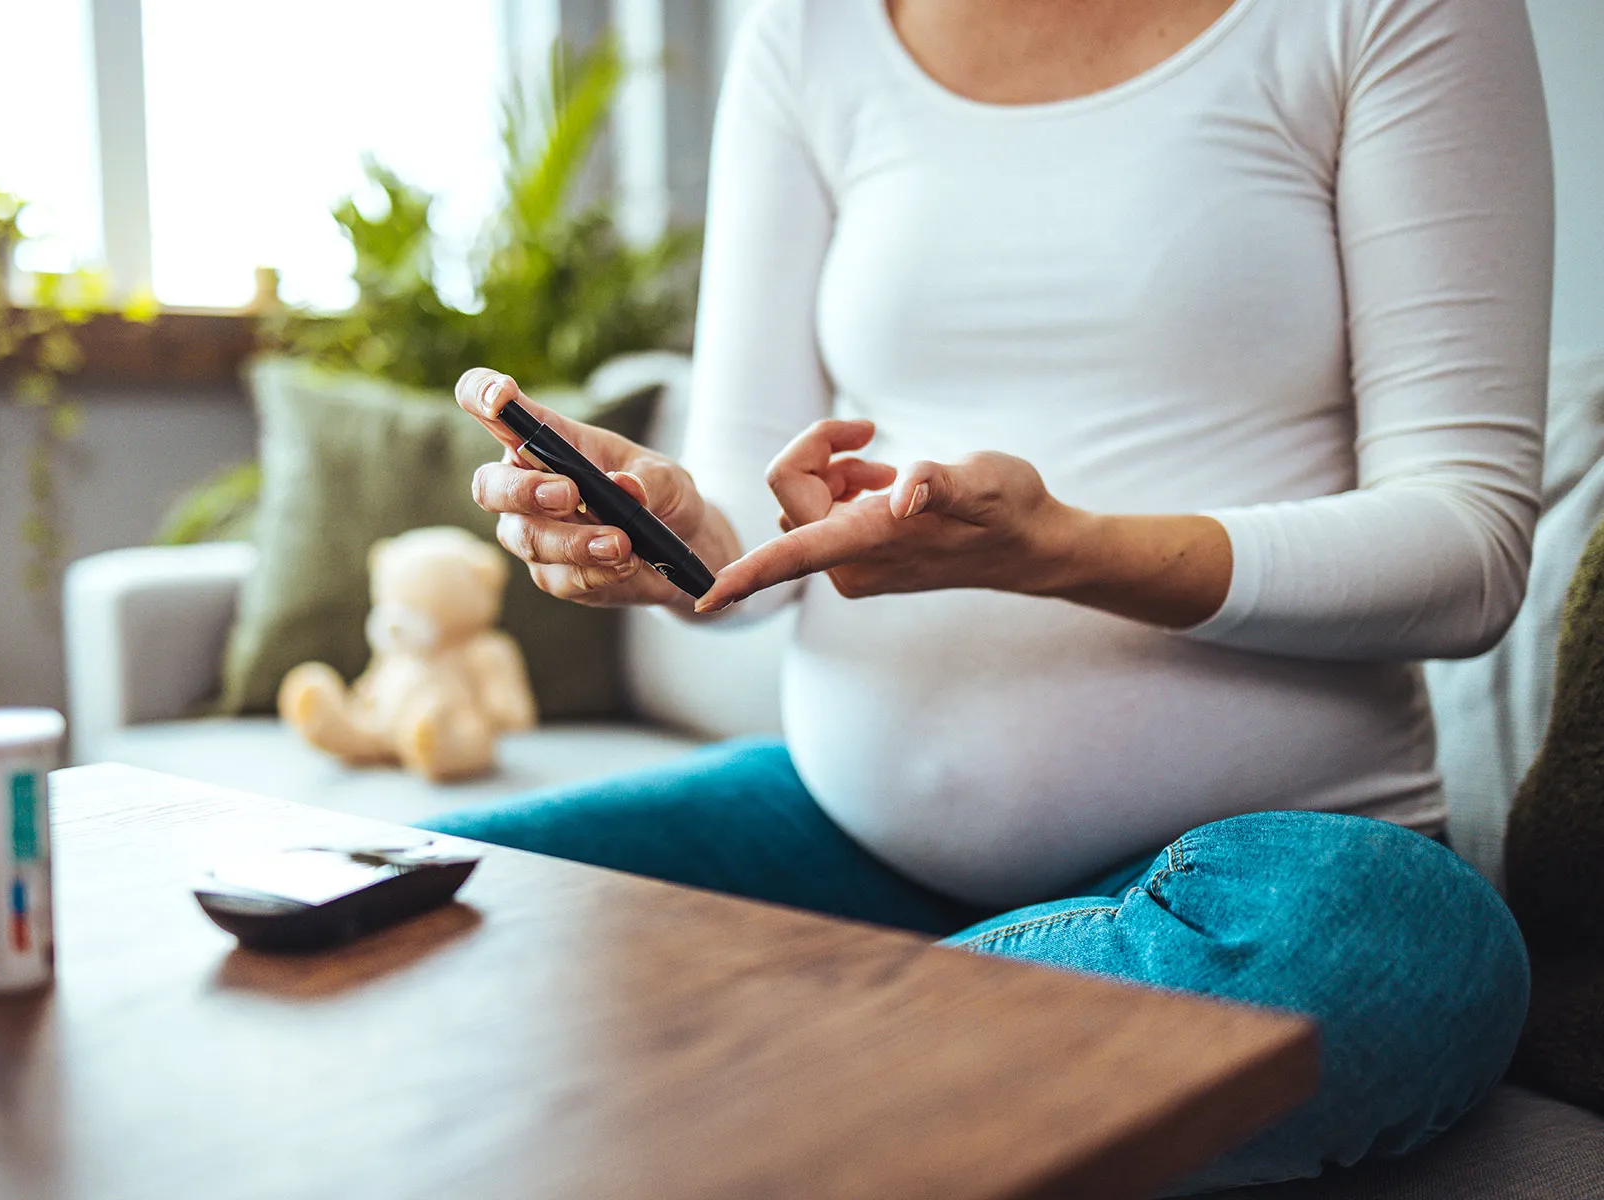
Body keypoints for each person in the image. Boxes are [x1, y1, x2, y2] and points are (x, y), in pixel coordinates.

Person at [424, 0, 1555, 1189]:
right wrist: (679, 536)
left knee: (1402, 948)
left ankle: (742, 1070)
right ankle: (919, 1065)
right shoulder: (806, 32)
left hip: (1255, 885)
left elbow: (1467, 549)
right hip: (847, 836)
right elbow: (752, 530)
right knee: (389, 898)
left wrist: (1061, 548)